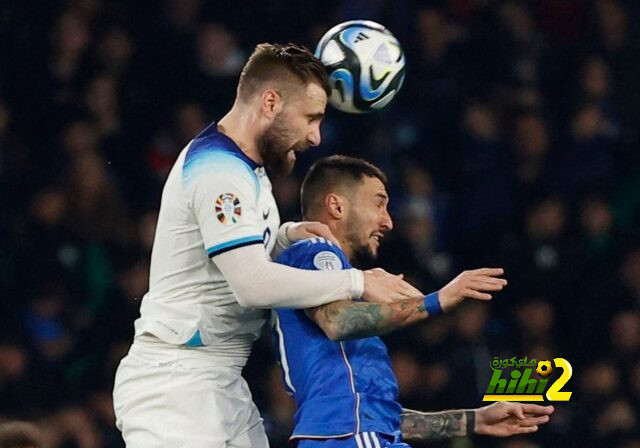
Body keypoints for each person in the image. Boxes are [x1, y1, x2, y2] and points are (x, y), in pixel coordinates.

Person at [112, 43, 420, 448]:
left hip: (219, 382)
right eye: (311, 118)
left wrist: (284, 236)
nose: (315, 136)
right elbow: (251, 284)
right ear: (270, 102)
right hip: (175, 384)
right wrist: (356, 283)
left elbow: (230, 255)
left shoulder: (247, 170)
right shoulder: (218, 172)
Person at [273, 155, 555, 447]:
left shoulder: (350, 391)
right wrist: (438, 300)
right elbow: (337, 321)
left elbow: (380, 417)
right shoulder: (315, 250)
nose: (388, 221)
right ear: (337, 206)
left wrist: (475, 420)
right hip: (349, 438)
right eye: (378, 203)